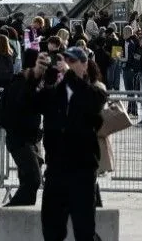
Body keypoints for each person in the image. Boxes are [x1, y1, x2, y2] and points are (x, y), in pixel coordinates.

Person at [37, 46, 106, 241]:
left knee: (84, 230)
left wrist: (69, 76)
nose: (66, 64)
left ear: (84, 65)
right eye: (64, 60)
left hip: (81, 171)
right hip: (56, 169)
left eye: (73, 61)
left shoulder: (94, 90)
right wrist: (38, 73)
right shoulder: (53, 93)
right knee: (51, 229)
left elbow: (92, 102)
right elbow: (28, 102)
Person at [0, 48, 45, 206]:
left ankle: (21, 209)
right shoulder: (20, 84)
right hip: (19, 139)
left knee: (29, 179)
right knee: (33, 179)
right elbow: (17, 111)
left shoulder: (26, 84)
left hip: (25, 139)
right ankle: (13, 210)